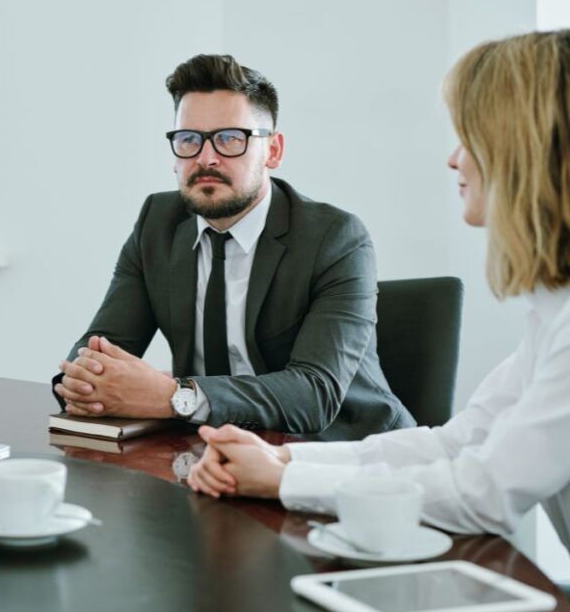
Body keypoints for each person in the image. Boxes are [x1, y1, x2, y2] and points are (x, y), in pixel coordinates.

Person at [187, 30, 570, 551]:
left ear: (525, 151)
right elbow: (458, 444)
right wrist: (285, 458)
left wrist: (284, 480)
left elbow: (485, 493)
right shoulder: (553, 313)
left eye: (471, 138)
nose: (453, 159)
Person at [54, 54, 412, 440]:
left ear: (272, 151)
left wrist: (176, 397)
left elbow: (315, 395)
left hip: (346, 457)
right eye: (189, 140)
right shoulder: (157, 223)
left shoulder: (335, 238)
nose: (206, 158)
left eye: (230, 139)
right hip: (213, 449)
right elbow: (100, 349)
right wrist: (84, 382)